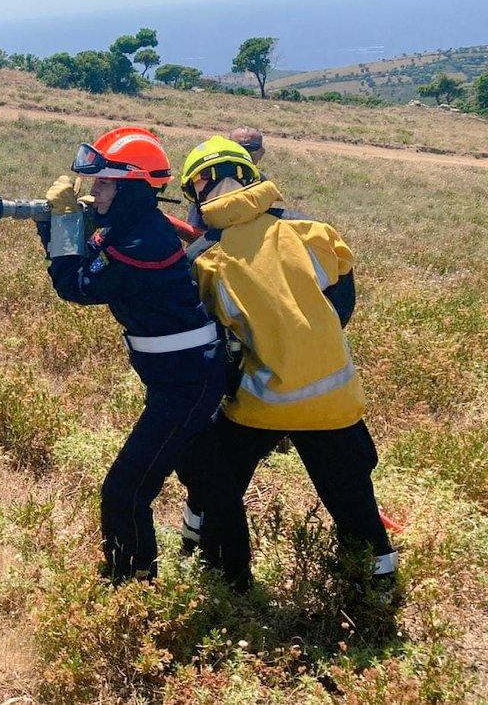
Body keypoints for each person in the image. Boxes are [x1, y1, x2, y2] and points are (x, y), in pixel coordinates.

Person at [178, 135, 399, 598]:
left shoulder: (203, 259)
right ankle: (377, 590)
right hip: (334, 403)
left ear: (199, 187)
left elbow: (210, 338)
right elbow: (341, 309)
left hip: (258, 406)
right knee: (353, 499)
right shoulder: (314, 232)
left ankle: (204, 561)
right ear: (249, 174)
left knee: (214, 484)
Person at [38, 126, 241, 586]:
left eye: (104, 183)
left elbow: (77, 284)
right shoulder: (130, 227)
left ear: (132, 188)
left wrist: (66, 222)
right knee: (209, 481)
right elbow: (84, 258)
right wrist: (55, 224)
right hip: (183, 378)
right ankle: (233, 574)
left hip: (185, 384)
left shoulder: (142, 243)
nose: (94, 191)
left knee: (125, 491)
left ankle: (131, 587)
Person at [185, 127, 265, 234]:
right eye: (236, 146)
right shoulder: (207, 181)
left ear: (262, 153)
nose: (244, 151)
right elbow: (196, 229)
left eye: (252, 148)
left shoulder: (262, 183)